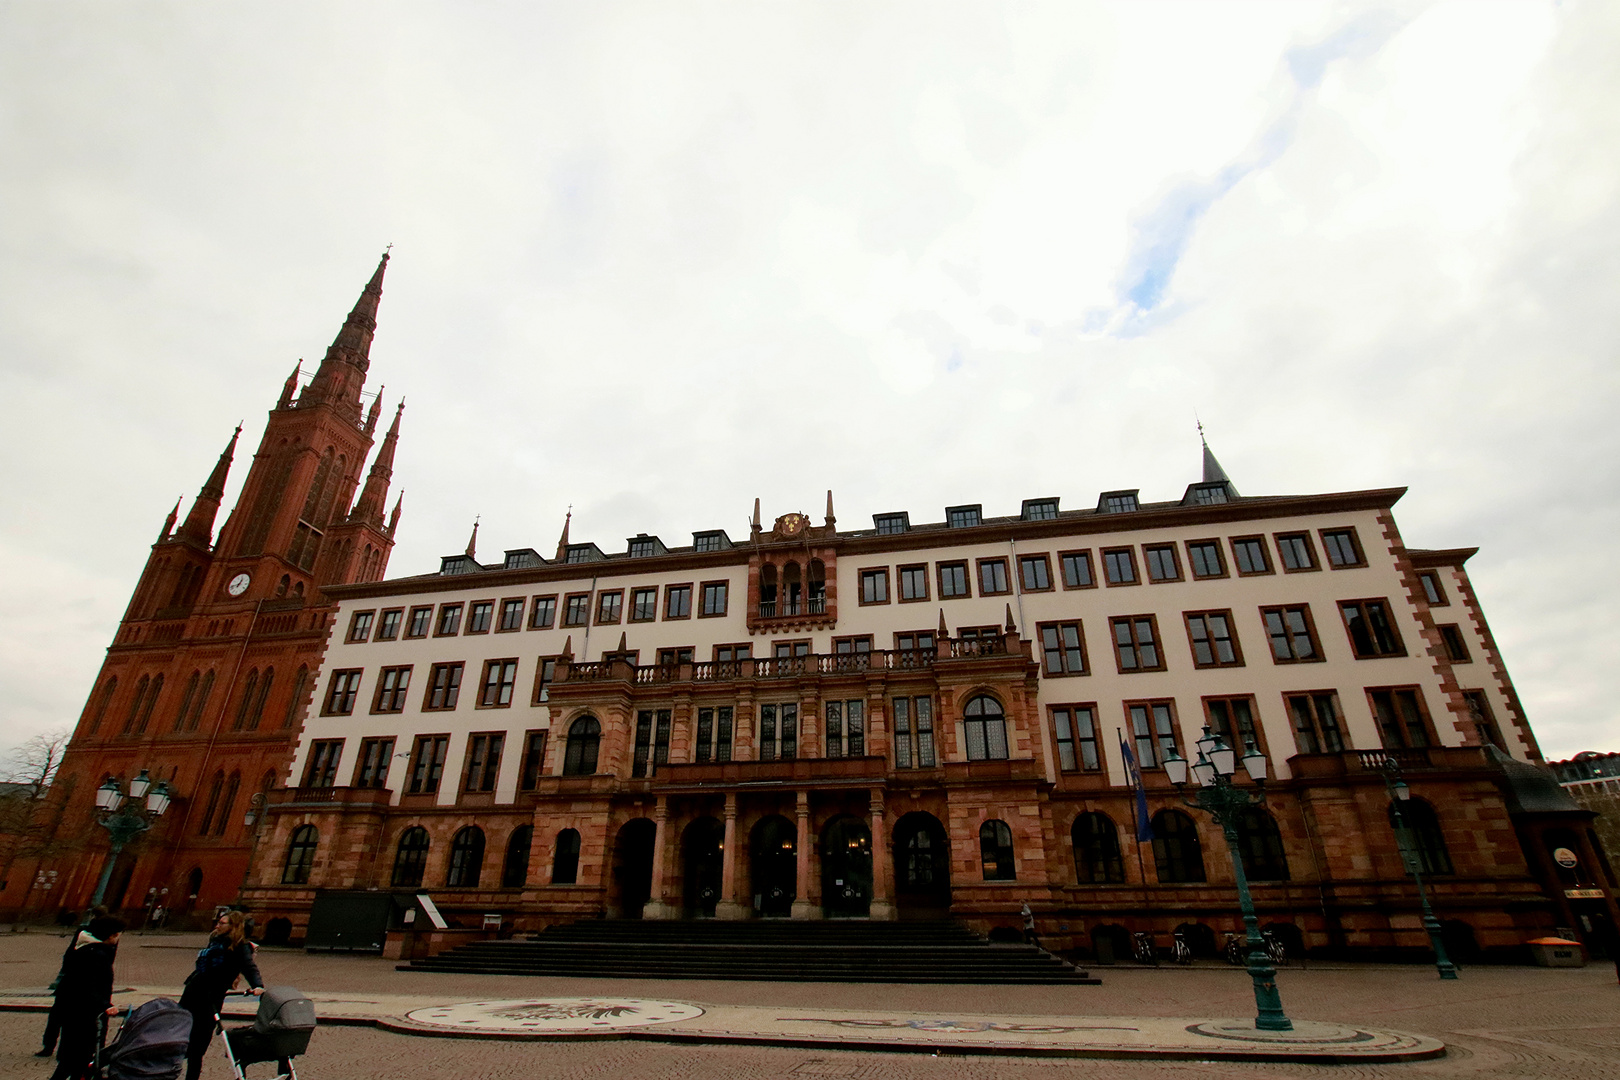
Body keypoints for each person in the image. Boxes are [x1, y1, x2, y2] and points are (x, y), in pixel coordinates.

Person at [179, 910, 263, 1080]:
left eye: (222, 923)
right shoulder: (214, 941)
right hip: (193, 993)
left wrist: (258, 985)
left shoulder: (239, 947)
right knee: (179, 1035)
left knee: (198, 1044)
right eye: (218, 922)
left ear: (233, 926)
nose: (217, 925)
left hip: (210, 999)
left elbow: (249, 967)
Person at [48, 915, 124, 1080]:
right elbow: (88, 985)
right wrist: (105, 1005)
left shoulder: (88, 949)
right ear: (111, 935)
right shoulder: (96, 954)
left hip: (77, 1012)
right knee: (76, 1059)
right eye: (118, 934)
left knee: (75, 1062)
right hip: (84, 1015)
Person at [38, 906, 110, 1058]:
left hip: (72, 983)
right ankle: (91, 1051)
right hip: (79, 985)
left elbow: (70, 954)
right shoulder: (95, 936)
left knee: (59, 1018)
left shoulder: (93, 935)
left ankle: (51, 1047)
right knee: (67, 1019)